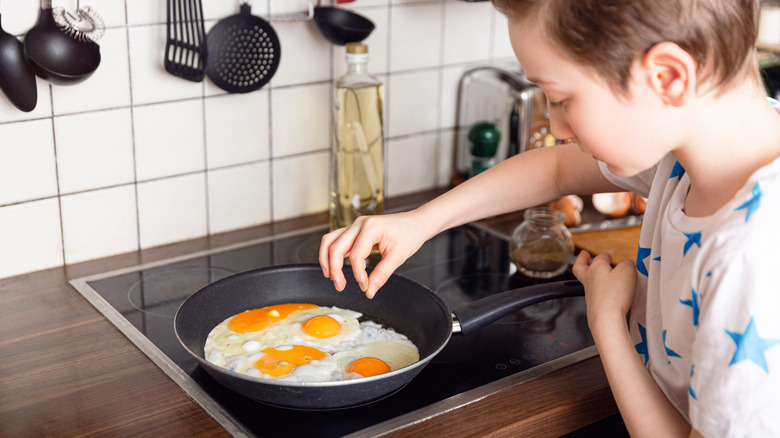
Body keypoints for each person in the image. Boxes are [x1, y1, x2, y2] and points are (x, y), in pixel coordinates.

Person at [319, 0, 780, 435]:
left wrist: (606, 322)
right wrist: (421, 221)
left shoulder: (752, 257)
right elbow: (556, 169)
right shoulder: (690, 150)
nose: (556, 128)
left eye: (561, 99)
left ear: (667, 76)